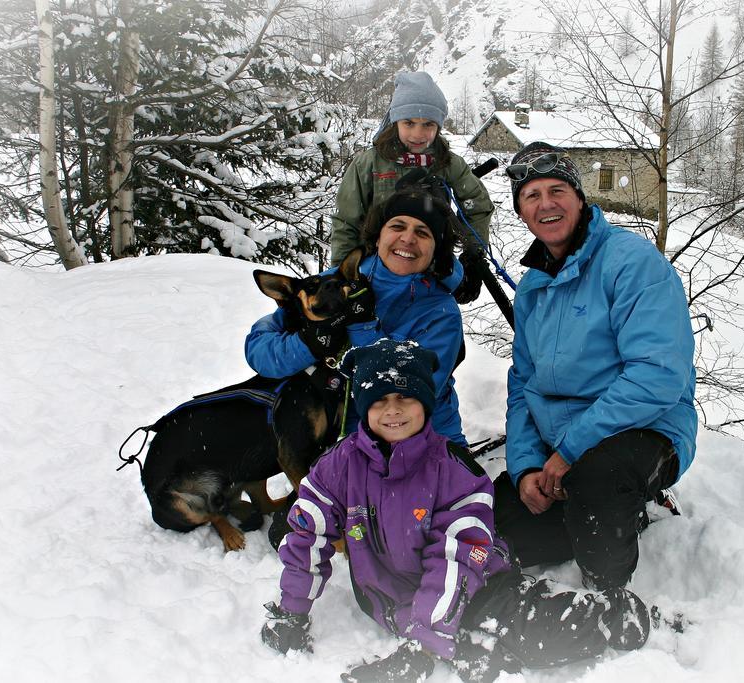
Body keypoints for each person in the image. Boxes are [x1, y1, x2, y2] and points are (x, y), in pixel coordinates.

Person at [260, 339, 651, 683]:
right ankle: (461, 639)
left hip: (476, 584)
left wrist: (424, 644)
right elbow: (308, 536)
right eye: (379, 400)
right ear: (362, 407)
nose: (392, 411)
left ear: (425, 403)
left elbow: (458, 557)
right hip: (395, 601)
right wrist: (291, 611)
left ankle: (614, 614)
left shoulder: (453, 472)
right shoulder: (339, 465)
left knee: (537, 635)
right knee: (475, 639)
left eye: (405, 398)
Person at [495, 142, 698, 592]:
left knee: (596, 479)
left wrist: (569, 452)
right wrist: (527, 467)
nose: (546, 204)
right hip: (561, 449)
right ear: (521, 212)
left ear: (580, 197)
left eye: (557, 190)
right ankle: (594, 515)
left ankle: (606, 590)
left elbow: (658, 375)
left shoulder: (631, 262)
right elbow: (523, 384)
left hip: (646, 429)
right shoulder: (533, 288)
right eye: (531, 196)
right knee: (501, 518)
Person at [245, 187, 468, 445]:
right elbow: (259, 348)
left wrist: (363, 328)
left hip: (423, 440)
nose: (407, 239)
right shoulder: (337, 281)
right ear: (378, 236)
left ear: (436, 249)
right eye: (397, 226)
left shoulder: (440, 311)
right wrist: (308, 343)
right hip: (336, 437)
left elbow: (406, 399)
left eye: (422, 233)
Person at [330, 71, 494, 302]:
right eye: (409, 123)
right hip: (378, 270)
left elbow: (477, 205)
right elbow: (346, 221)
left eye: (428, 124)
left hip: (432, 268)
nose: (418, 134)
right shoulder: (369, 163)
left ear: (438, 126)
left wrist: (473, 255)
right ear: (395, 121)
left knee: (435, 325)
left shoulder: (448, 164)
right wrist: (343, 276)